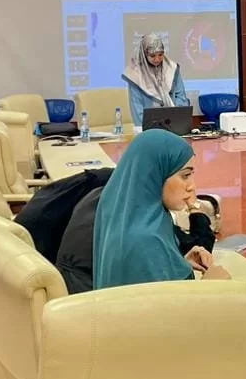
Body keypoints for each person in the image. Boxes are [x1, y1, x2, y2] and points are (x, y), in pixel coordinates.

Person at [92, 129, 225, 289]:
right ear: (155, 174)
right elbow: (168, 304)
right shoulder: (146, 238)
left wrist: (177, 263)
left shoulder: (117, 211)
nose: (192, 186)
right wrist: (212, 286)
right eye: (185, 175)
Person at [123, 32, 189, 127]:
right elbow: (137, 106)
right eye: (152, 56)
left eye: (160, 54)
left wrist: (178, 119)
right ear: (144, 55)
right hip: (149, 127)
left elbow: (181, 96)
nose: (157, 59)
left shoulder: (172, 69)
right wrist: (147, 127)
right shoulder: (136, 75)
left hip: (174, 123)